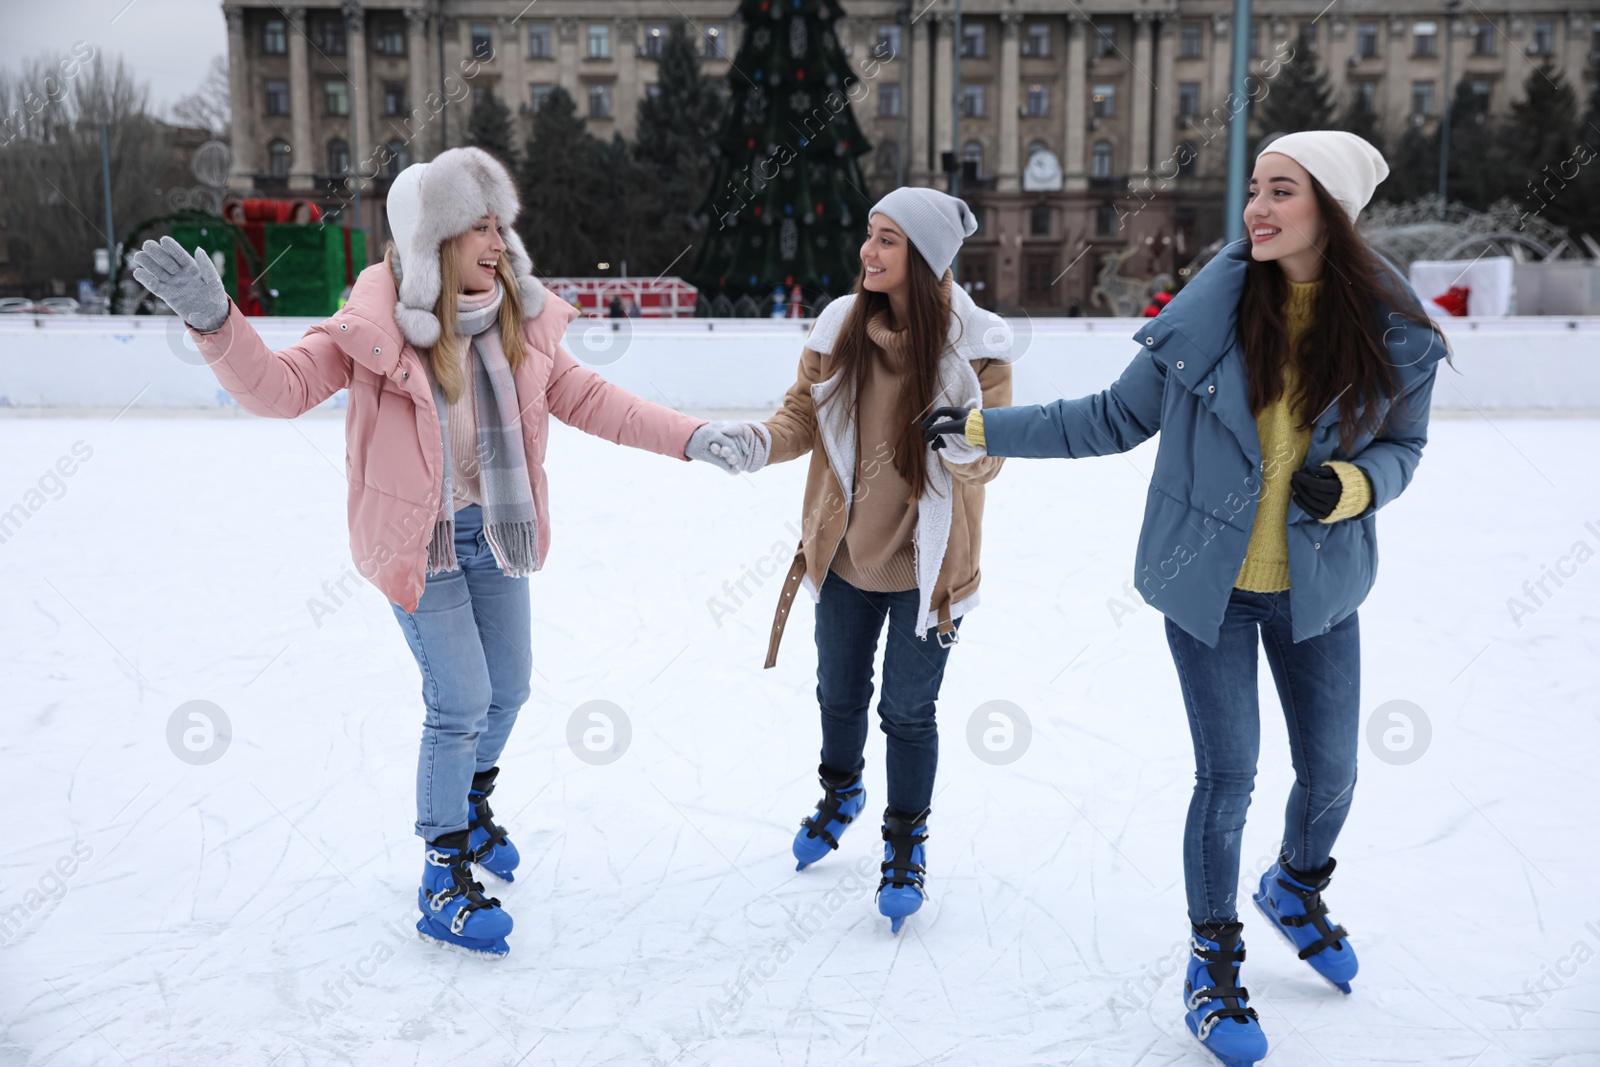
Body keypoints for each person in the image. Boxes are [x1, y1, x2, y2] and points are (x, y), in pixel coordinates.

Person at [128, 147, 753, 959]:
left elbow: (592, 399)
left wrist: (693, 436)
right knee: (460, 701)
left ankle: (473, 799)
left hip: (494, 531)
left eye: (500, 224)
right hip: (418, 546)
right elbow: (277, 391)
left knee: (511, 690)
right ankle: (442, 870)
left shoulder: (516, 319)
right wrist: (215, 320)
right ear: (430, 239)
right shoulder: (371, 329)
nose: (496, 241)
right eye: (476, 227)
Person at [925, 131, 1449, 1065]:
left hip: (1320, 585)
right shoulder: (1210, 312)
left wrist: (1361, 485)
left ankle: (1295, 885)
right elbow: (1108, 418)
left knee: (1333, 774)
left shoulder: (1391, 330)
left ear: (1328, 209)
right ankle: (1213, 964)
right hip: (1207, 587)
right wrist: (976, 424)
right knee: (1230, 775)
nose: (1256, 206)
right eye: (1254, 187)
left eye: (1280, 191)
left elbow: (1404, 449)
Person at [715, 188, 1015, 934]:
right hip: (845, 556)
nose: (868, 252)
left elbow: (992, 458)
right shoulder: (840, 327)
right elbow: (799, 416)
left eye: (887, 240)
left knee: (908, 712)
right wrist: (756, 443)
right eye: (870, 235)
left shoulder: (979, 347)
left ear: (925, 256)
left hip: (930, 571)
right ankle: (840, 788)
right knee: (838, 691)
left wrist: (970, 440)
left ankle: (905, 840)